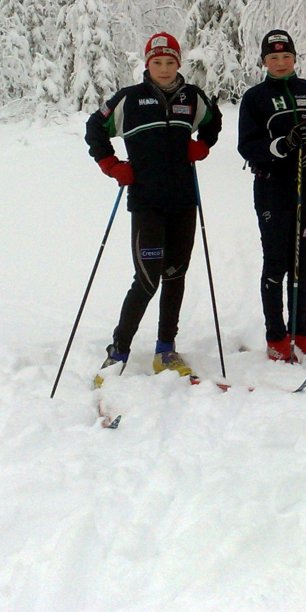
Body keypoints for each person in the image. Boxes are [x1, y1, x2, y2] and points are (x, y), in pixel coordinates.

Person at [85, 31, 222, 379]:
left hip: (183, 201)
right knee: (147, 279)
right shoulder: (130, 100)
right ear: (147, 65)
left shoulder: (191, 98)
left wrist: (202, 145)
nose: (164, 69)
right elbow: (94, 127)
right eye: (157, 62)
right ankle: (119, 350)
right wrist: (112, 165)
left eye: (170, 62)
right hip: (146, 203)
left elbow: (213, 121)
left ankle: (166, 349)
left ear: (179, 64)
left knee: (176, 275)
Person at [237, 29, 306, 361]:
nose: (280, 63)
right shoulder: (255, 98)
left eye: (285, 56)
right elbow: (247, 146)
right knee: (277, 259)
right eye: (273, 58)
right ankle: (276, 336)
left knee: (302, 260)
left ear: (295, 58)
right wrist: (282, 145)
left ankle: (300, 332)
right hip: (272, 186)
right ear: (264, 61)